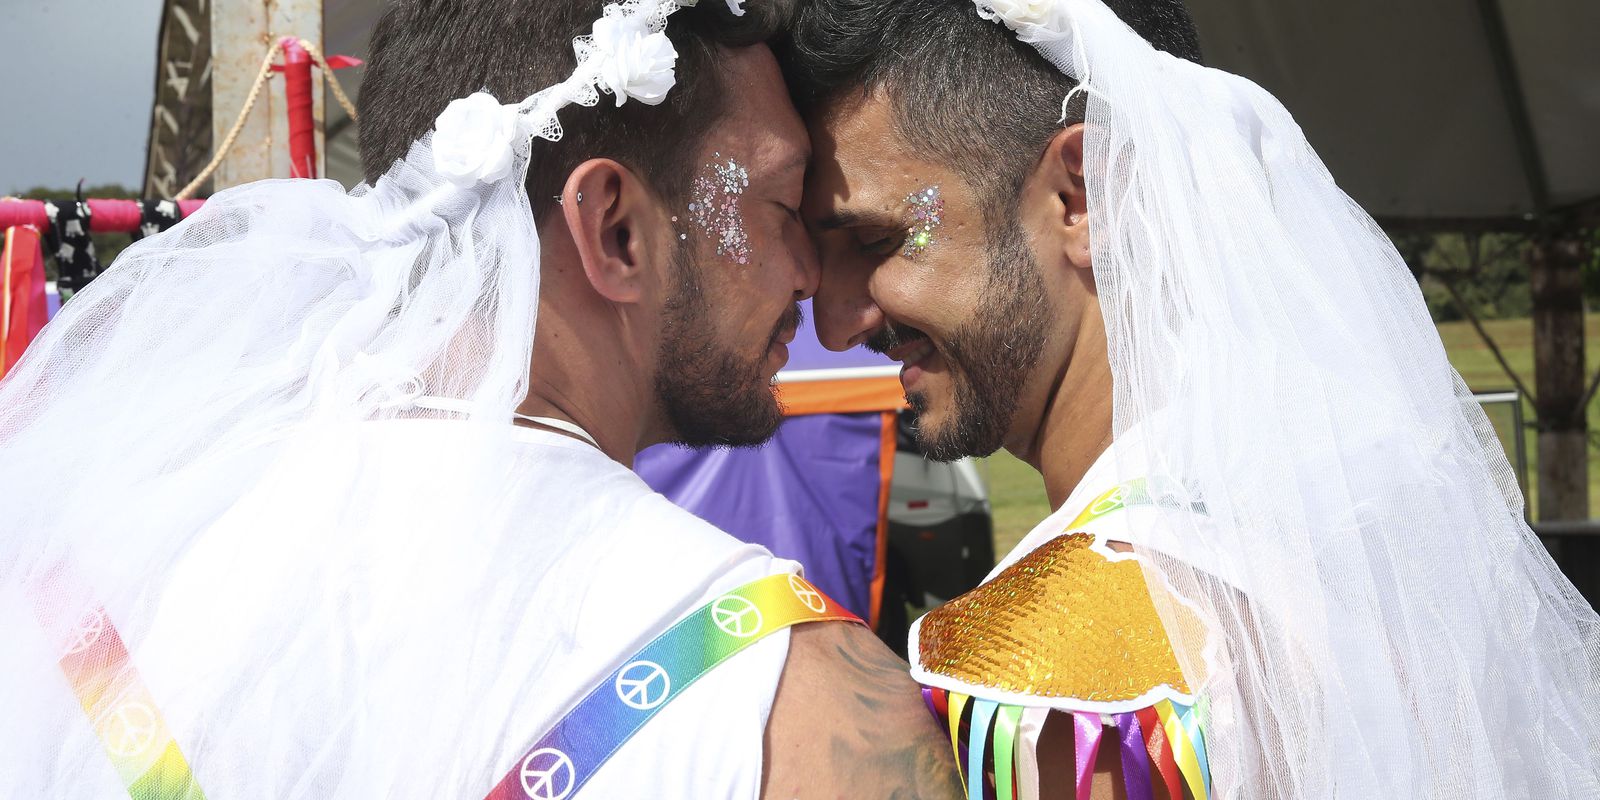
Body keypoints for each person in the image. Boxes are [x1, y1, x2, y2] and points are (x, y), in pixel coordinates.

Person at [0, 1, 961, 798]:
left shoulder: (96, 589)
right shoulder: (800, 712)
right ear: (617, 231)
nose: (811, 280)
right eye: (783, 210)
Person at [781, 0, 1600, 797]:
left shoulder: (1073, 661)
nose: (840, 321)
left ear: (1082, 193)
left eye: (875, 241)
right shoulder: (1367, 539)